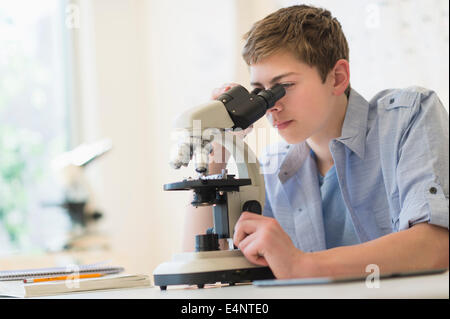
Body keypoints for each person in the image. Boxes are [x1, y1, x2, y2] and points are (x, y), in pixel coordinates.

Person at [182, 5, 449, 279]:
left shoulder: (408, 118)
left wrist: (303, 265)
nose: (271, 106)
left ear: (337, 78)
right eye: (259, 92)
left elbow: (436, 245)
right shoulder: (272, 169)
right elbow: (199, 277)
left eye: (282, 87)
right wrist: (218, 149)